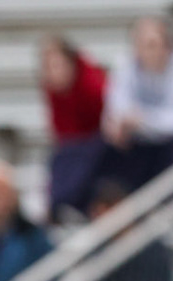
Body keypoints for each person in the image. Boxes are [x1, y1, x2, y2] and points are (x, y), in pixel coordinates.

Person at [99, 16, 173, 195]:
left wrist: (143, 121)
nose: (144, 51)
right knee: (110, 149)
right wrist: (119, 125)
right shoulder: (126, 64)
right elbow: (116, 108)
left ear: (167, 46)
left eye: (151, 44)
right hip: (149, 143)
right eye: (139, 44)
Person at [41, 35, 112, 221]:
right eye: (48, 67)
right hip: (74, 149)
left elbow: (108, 122)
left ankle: (66, 203)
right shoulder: (53, 90)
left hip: (100, 147)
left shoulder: (93, 86)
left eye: (57, 66)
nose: (52, 73)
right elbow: (60, 131)